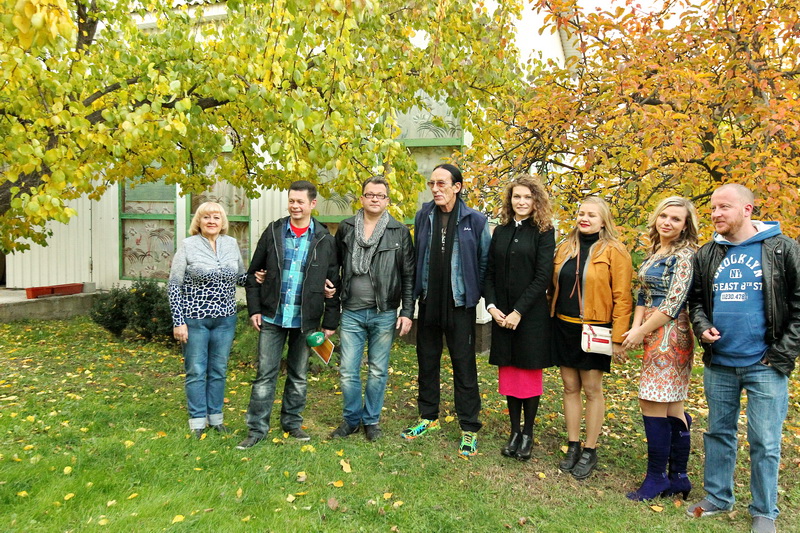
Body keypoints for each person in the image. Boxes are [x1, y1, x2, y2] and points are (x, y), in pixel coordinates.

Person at [686, 184, 800, 533]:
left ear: (748, 209)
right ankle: (718, 497)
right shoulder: (707, 253)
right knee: (718, 433)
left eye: (724, 207)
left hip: (765, 364)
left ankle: (764, 511)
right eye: (712, 208)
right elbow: (696, 302)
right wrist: (702, 327)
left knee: (765, 441)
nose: (716, 214)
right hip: (720, 362)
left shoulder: (782, 248)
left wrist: (780, 355)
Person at [236, 180, 340, 450]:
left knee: (299, 375)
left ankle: (292, 423)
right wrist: (255, 309)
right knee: (264, 375)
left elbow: (333, 283)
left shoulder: (324, 239)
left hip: (306, 320)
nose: (295, 206)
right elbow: (253, 275)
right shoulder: (274, 232)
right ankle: (256, 429)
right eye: (291, 201)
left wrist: (330, 321)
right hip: (273, 316)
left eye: (300, 202)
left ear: (312, 204)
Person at [401, 163, 491, 457]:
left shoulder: (475, 220)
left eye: (441, 183)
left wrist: (474, 292)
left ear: (457, 187)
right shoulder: (424, 216)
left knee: (464, 365)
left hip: (459, 305)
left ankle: (469, 426)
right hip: (429, 301)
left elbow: (484, 261)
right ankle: (428, 417)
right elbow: (417, 256)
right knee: (427, 361)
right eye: (432, 184)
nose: (435, 189)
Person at [621, 197, 699, 500]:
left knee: (652, 401)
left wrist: (641, 331)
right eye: (664, 216)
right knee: (671, 406)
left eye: (676, 219)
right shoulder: (656, 252)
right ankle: (678, 477)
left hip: (671, 333)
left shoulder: (685, 256)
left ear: (685, 226)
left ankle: (657, 478)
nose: (667, 222)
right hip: (651, 331)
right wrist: (635, 329)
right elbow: (643, 295)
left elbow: (673, 302)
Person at [550, 196, 632, 479]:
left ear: (603, 221)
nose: (584, 219)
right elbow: (552, 287)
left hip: (595, 329)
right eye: (581, 213)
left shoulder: (615, 251)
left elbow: (623, 297)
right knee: (569, 386)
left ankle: (590, 449)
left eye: (592, 215)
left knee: (592, 388)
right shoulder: (565, 248)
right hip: (564, 326)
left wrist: (618, 338)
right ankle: (573, 444)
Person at [329, 176, 415, 442]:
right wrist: (331, 292)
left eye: (380, 195)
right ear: (362, 198)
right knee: (348, 371)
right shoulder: (346, 228)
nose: (375, 199)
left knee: (378, 370)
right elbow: (334, 266)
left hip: (384, 312)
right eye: (370, 194)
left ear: (387, 200)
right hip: (351, 311)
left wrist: (407, 312)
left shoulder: (399, 231)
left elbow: (408, 275)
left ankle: (371, 420)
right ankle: (351, 419)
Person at [484, 175, 555, 461]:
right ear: (510, 200)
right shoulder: (500, 231)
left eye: (527, 197)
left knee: (527, 374)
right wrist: (491, 307)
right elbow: (489, 272)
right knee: (510, 376)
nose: (521, 202)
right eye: (517, 197)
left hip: (530, 317)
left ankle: (528, 433)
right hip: (501, 315)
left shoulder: (544, 232)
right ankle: (514, 431)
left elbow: (542, 277)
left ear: (536, 200)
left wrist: (518, 312)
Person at [168, 202, 247, 438]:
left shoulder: (231, 244)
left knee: (219, 370)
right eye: (206, 217)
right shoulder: (188, 245)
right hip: (195, 319)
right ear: (198, 222)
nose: (211, 221)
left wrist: (260, 276)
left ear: (222, 223)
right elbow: (174, 285)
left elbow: (240, 277)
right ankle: (197, 422)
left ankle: (216, 419)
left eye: (216, 217)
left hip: (225, 320)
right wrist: (178, 321)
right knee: (196, 370)